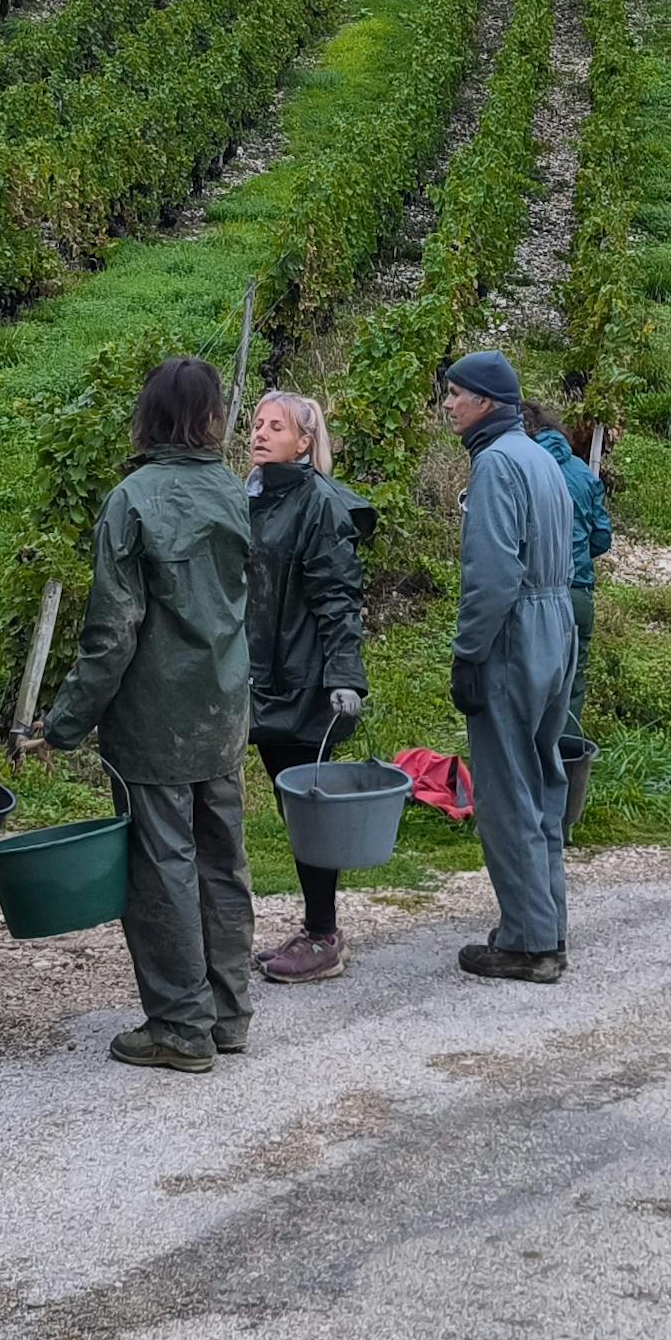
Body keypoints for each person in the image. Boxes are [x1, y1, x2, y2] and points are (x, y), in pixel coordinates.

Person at [37, 357, 257, 1070]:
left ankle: (178, 1026)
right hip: (223, 708)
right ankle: (228, 1014)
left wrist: (67, 720)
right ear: (213, 416)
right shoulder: (233, 492)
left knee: (163, 866)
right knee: (223, 859)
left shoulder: (133, 500)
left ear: (148, 413)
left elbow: (113, 630)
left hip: (156, 716)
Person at [439, 352, 579, 983]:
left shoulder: (496, 464)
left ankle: (527, 944)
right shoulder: (542, 459)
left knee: (505, 787)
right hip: (557, 626)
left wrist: (470, 653)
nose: (447, 405)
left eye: (455, 395)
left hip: (514, 632)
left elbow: (492, 574)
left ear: (486, 403)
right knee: (546, 783)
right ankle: (546, 923)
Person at [244, 389, 374, 984]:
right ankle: (314, 929)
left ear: (304, 441)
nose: (262, 433)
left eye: (278, 426)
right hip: (260, 678)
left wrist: (345, 678)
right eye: (258, 423)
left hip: (303, 682)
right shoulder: (251, 496)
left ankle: (323, 935)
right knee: (287, 801)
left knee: (306, 808)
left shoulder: (319, 503)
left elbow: (339, 598)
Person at [526, 399, 613, 718]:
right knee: (571, 683)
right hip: (578, 592)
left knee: (527, 682)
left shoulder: (522, 467)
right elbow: (602, 537)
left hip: (534, 593)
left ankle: (525, 761)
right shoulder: (581, 472)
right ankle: (568, 760)